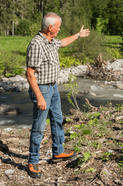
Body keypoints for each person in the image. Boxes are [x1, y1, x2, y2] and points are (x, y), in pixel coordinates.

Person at [25, 12, 90, 178]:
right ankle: (32, 162)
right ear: (50, 27)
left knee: (57, 120)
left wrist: (78, 35)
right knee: (39, 127)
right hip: (42, 90)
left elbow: (64, 43)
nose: (60, 29)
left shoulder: (51, 41)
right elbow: (30, 73)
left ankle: (58, 152)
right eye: (58, 27)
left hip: (52, 88)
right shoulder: (37, 44)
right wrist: (39, 96)